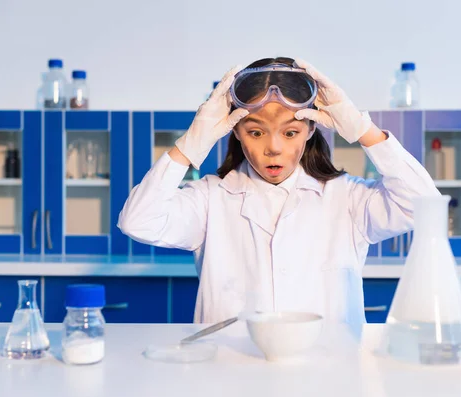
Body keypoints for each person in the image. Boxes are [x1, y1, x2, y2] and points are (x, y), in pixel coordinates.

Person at [118, 57, 439, 329]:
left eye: (290, 132)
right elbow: (139, 221)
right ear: (236, 131)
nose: (273, 147)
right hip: (230, 374)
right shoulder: (210, 199)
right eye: (256, 132)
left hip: (327, 376)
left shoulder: (348, 198)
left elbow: (421, 205)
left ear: (311, 128)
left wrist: (364, 131)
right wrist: (191, 143)